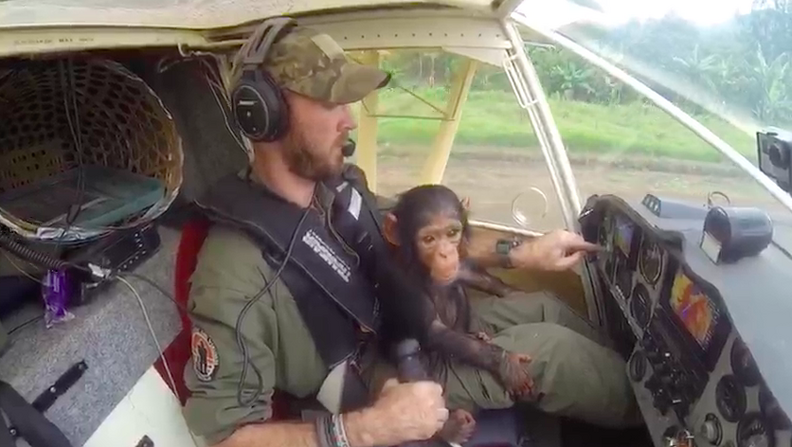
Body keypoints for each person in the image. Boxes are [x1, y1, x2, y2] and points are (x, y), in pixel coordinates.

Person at [181, 17, 625, 447]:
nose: (349, 120)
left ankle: (633, 388)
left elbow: (423, 236)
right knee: (554, 353)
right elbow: (225, 437)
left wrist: (523, 253)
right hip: (377, 377)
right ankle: (655, 422)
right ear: (265, 113)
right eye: (332, 103)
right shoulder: (236, 269)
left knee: (546, 306)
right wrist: (368, 429)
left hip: (409, 320)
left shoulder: (340, 190)